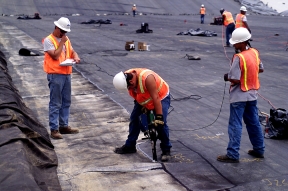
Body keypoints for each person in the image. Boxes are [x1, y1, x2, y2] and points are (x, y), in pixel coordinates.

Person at [217, 27, 265, 163]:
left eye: (235, 43)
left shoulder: (239, 57)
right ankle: (259, 149)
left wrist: (227, 77)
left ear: (243, 42)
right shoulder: (254, 52)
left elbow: (236, 79)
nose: (233, 45)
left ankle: (232, 154)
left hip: (239, 96)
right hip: (252, 95)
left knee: (235, 124)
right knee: (254, 122)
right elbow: (260, 69)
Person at [113, 68, 172, 162]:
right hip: (144, 99)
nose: (129, 89)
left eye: (129, 87)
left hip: (160, 97)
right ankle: (130, 146)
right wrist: (144, 105)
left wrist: (159, 117)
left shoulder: (147, 78)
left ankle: (166, 150)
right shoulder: (125, 78)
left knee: (161, 124)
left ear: (131, 81)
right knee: (134, 118)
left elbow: (156, 98)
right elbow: (137, 95)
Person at [43, 17, 80, 139]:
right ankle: (54, 129)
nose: (64, 34)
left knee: (66, 101)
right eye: (62, 31)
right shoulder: (49, 40)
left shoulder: (66, 39)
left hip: (66, 73)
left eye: (66, 32)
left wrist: (75, 56)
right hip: (55, 75)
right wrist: (62, 42)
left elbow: (72, 51)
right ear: (56, 27)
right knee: (55, 103)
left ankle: (63, 126)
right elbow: (55, 56)